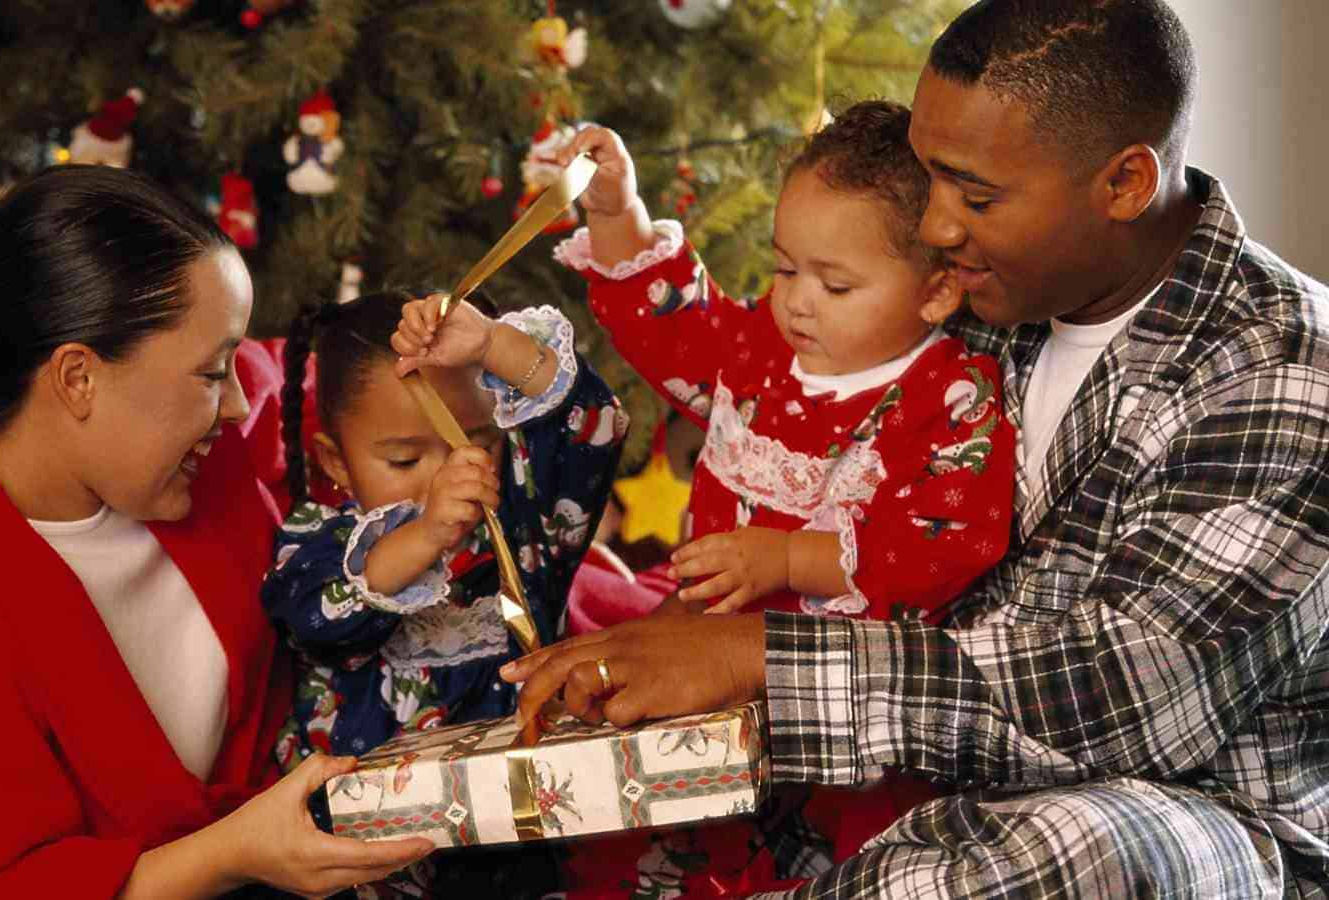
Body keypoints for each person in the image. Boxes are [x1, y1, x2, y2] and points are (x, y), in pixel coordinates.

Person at [508, 1, 1329, 897]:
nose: (934, 228)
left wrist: (756, 655)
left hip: (1180, 813)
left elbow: (1125, 698)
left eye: (974, 195)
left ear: (1125, 184)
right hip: (908, 774)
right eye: (928, 179)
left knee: (1079, 846)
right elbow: (732, 361)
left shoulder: (1285, 369)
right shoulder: (976, 293)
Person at [0, 165, 430, 898]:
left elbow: (325, 400)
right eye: (211, 373)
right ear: (78, 378)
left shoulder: (198, 454)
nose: (239, 402)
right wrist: (231, 854)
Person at [548, 100, 1017, 873]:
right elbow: (678, 326)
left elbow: (941, 548)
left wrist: (792, 560)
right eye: (785, 268)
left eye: (834, 286)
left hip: (825, 716)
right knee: (653, 840)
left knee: (796, 862)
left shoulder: (949, 397)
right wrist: (619, 213)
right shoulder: (764, 346)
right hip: (693, 668)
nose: (797, 300)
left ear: (936, 292)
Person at [262, 291, 622, 896]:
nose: (447, 476)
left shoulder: (527, 531)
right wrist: (426, 534)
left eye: (472, 444)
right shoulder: (318, 545)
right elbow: (315, 618)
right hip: (364, 858)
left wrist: (491, 345)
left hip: (519, 845)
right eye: (405, 459)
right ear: (337, 461)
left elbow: (594, 429)